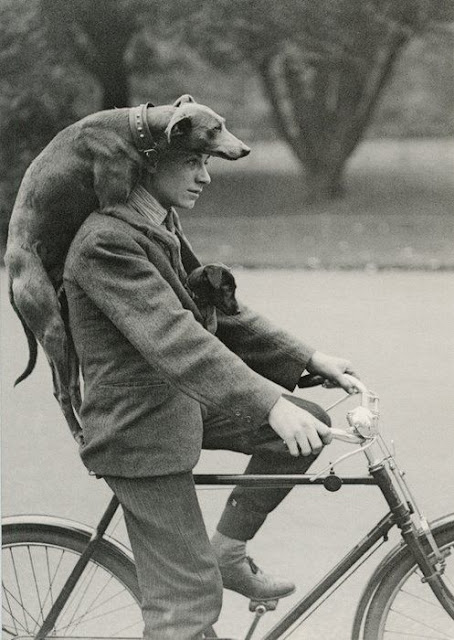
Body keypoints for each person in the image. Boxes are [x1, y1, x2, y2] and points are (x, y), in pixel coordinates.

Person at [63, 132, 359, 639]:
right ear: (146, 166)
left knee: (309, 427)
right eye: (192, 162)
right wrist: (269, 402)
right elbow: (177, 338)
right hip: (137, 430)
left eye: (206, 162)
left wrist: (309, 358)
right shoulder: (105, 244)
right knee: (188, 602)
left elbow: (215, 311)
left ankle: (228, 552)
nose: (205, 176)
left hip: (175, 404)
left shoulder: (159, 224)